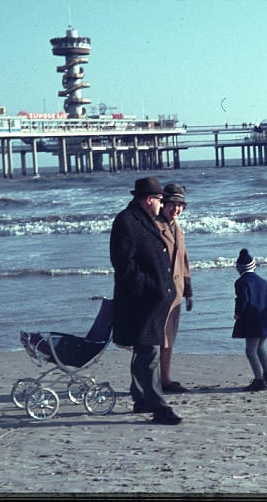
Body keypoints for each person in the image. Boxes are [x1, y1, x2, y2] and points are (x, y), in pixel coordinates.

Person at [110, 176, 182, 425]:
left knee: (144, 351)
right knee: (148, 352)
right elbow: (124, 266)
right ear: (149, 199)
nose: (163, 205)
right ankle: (158, 407)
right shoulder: (126, 221)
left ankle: (140, 398)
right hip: (139, 302)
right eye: (160, 200)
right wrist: (153, 288)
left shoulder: (144, 219)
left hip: (150, 301)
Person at [155, 183, 194, 394]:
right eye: (173, 204)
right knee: (155, 339)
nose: (176, 209)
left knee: (169, 336)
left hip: (175, 293)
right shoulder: (155, 226)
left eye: (180, 205)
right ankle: (154, 380)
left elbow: (184, 262)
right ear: (163, 204)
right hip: (159, 293)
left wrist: (188, 293)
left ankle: (165, 379)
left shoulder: (178, 229)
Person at [232, 248, 267, 391]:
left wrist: (238, 313)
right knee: (260, 347)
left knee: (250, 350)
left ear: (239, 269)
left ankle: (258, 379)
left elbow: (243, 299)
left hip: (252, 321)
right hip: (265, 320)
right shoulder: (263, 281)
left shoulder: (241, 282)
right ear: (253, 266)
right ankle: (266, 374)